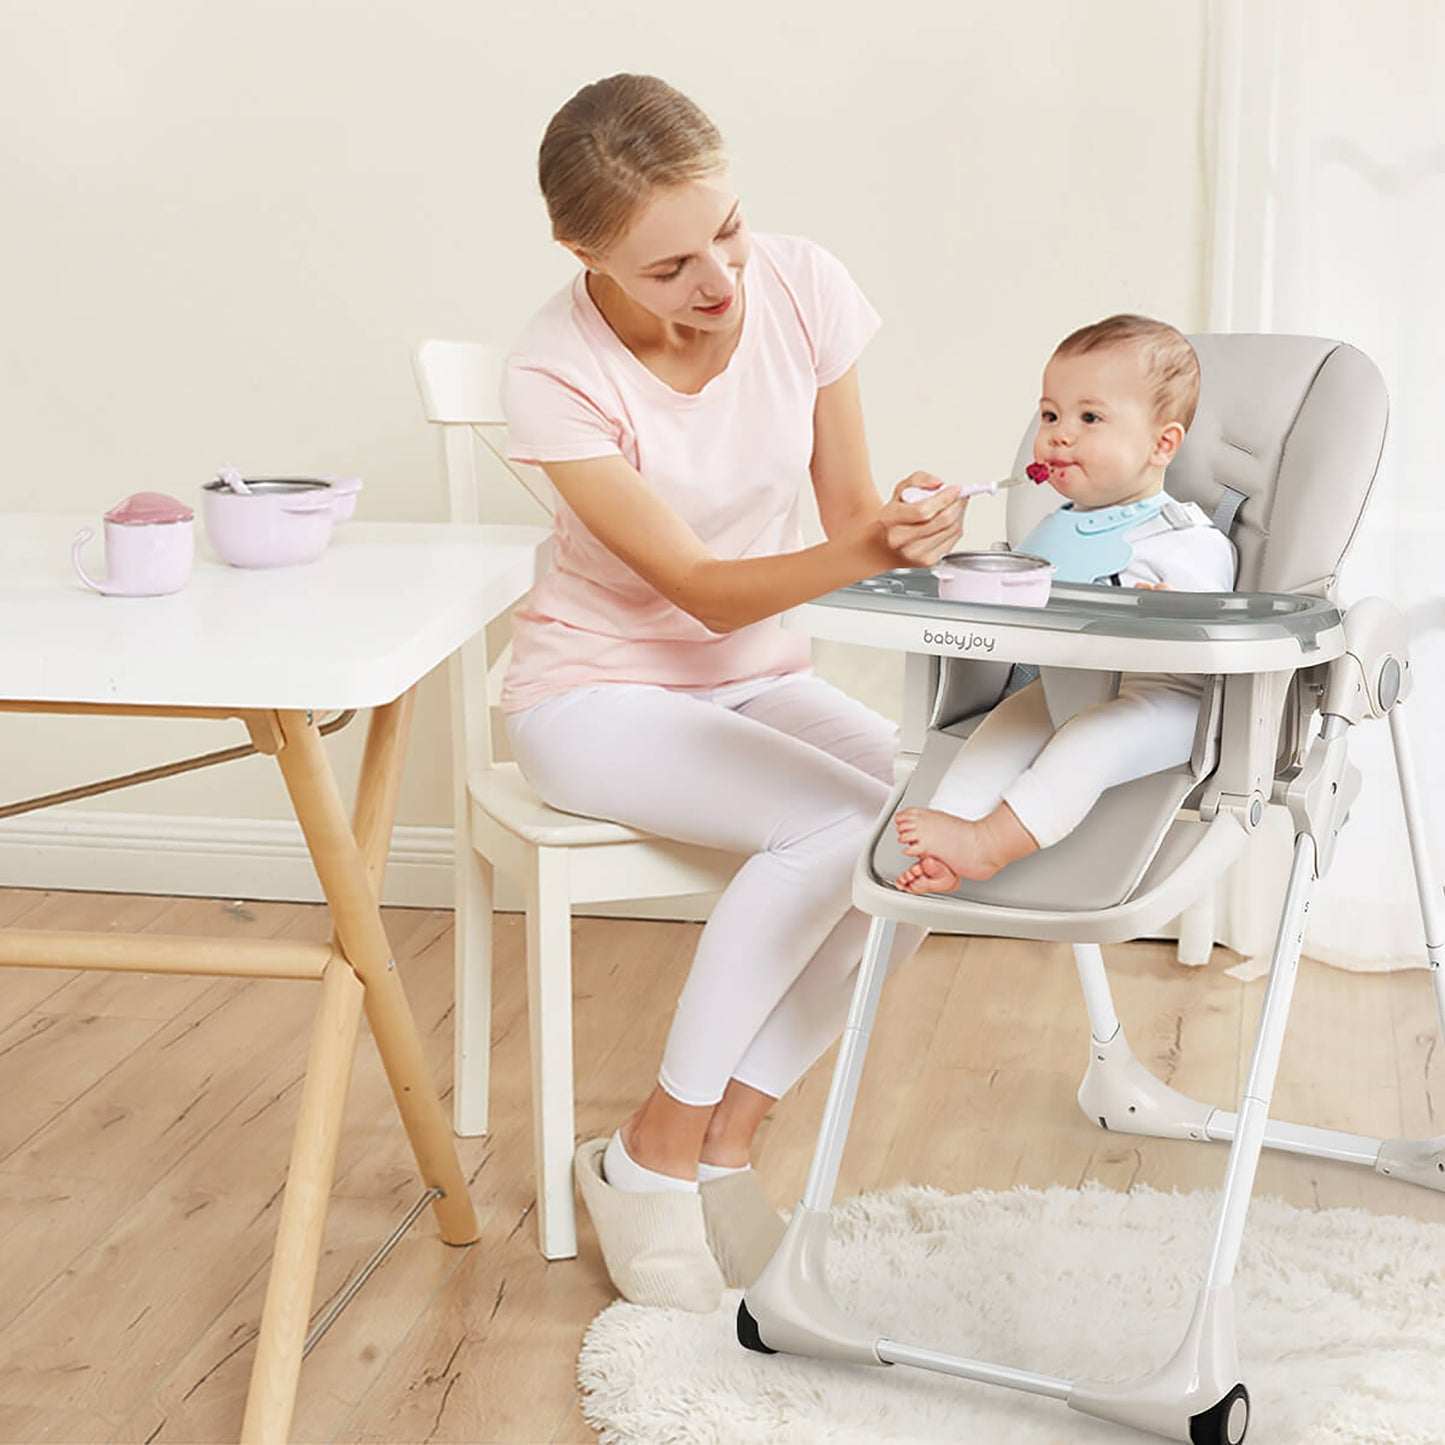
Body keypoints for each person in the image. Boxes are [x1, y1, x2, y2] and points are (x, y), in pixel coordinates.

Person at [499, 73, 964, 1311]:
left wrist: (906, 525)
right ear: (580, 253)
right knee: (831, 827)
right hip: (590, 695)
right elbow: (701, 589)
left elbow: (849, 518)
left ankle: (718, 1139)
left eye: (727, 229)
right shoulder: (552, 372)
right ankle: (651, 1149)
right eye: (665, 267)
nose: (715, 280)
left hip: (755, 684)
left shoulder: (802, 284)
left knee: (935, 834)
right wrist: (871, 550)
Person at [895, 315, 1236, 894]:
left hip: (1168, 703)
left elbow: (1212, 628)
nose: (1058, 434)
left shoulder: (1184, 536)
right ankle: (951, 835)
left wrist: (1170, 609)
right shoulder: (1048, 533)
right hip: (1067, 686)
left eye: (1090, 418)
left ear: (1162, 444)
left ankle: (987, 845)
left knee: (1091, 742)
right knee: (1003, 728)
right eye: (1050, 415)